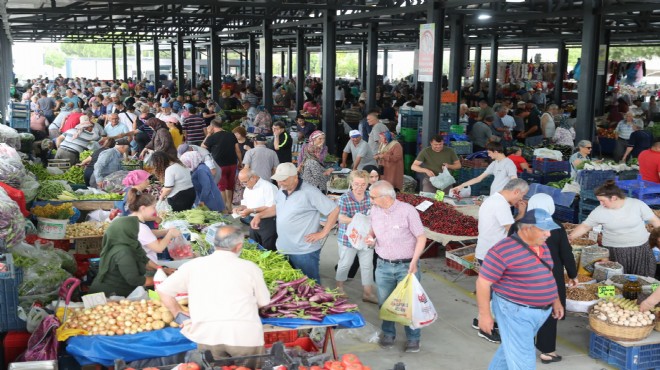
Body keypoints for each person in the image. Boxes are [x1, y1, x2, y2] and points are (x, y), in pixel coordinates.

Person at [157, 225, 270, 369]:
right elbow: (264, 301)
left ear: (214, 243)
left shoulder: (193, 266)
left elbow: (163, 291)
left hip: (207, 335)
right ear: (239, 246)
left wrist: (178, 313)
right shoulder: (250, 268)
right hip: (243, 336)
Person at [477, 208, 564, 369]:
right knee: (524, 361)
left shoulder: (543, 247)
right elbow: (483, 283)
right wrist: (484, 315)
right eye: (543, 230)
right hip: (515, 311)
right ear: (526, 228)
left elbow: (548, 274)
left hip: (539, 312)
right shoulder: (502, 251)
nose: (548, 234)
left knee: (510, 349)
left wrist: (556, 300)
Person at [509, 194, 579, 364]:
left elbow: (509, 250)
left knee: (523, 312)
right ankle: (547, 351)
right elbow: (566, 253)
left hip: (522, 276)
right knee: (548, 313)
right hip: (548, 276)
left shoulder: (517, 225)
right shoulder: (555, 226)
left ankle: (519, 348)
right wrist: (573, 274)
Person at [251, 163, 339, 283]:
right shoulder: (282, 190)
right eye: (278, 180)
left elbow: (334, 210)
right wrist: (259, 215)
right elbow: (277, 208)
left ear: (295, 177)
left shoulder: (310, 192)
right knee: (291, 286)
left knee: (310, 286)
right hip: (283, 247)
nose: (280, 183)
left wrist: (323, 233)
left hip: (304, 251)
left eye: (284, 180)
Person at [367, 180, 426, 353]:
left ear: (386, 197)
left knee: (410, 304)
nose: (370, 200)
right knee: (384, 302)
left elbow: (421, 237)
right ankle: (388, 334)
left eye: (373, 197)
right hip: (383, 265)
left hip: (406, 266)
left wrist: (414, 262)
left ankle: (414, 338)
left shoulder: (407, 211)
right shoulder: (375, 211)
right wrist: (370, 237)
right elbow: (372, 230)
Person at [472, 178, 529, 343]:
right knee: (495, 293)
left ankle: (479, 320)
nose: (520, 200)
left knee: (489, 291)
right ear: (516, 191)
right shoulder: (501, 205)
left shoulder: (494, 199)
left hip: (487, 251)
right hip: (495, 255)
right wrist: (523, 215)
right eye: (522, 195)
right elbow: (512, 231)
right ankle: (487, 328)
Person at [568, 180, 660, 277]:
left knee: (642, 279)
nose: (601, 203)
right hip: (614, 251)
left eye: (603, 200)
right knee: (616, 280)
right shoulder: (599, 211)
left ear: (614, 198)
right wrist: (570, 236)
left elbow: (655, 221)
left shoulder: (637, 205)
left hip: (641, 250)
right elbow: (585, 226)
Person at [335, 170, 378, 303]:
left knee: (367, 266)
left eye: (363, 184)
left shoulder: (370, 197)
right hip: (348, 239)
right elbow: (341, 218)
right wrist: (358, 221)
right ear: (351, 183)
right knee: (345, 264)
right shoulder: (344, 198)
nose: (359, 187)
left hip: (366, 238)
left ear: (367, 184)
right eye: (356, 184)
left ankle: (367, 293)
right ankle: (339, 288)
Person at [88, 215, 153, 297]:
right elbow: (135, 280)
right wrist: (161, 280)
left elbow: (144, 260)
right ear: (128, 231)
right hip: (107, 296)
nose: (136, 232)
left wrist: (163, 270)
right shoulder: (123, 251)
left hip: (110, 293)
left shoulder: (125, 244)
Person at [126, 188, 181, 272]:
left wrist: (165, 231)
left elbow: (148, 234)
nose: (155, 211)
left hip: (144, 266)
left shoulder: (131, 220)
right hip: (146, 270)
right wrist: (170, 234)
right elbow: (159, 248)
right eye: (153, 207)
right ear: (143, 208)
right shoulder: (141, 227)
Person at [234, 168, 278, 251]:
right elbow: (245, 204)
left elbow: (271, 207)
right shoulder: (248, 187)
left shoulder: (268, 187)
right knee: (254, 246)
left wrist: (252, 210)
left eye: (245, 182)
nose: (243, 185)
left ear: (253, 177)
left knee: (268, 248)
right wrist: (239, 208)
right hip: (252, 220)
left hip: (268, 221)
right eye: (242, 183)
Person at [451, 142, 517, 196]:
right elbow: (478, 178)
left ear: (496, 152)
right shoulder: (494, 163)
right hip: (494, 195)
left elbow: (514, 180)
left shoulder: (509, 164)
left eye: (489, 153)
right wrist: (461, 186)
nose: (488, 155)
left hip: (503, 197)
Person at [203, 118, 241, 212]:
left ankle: (223, 208)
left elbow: (202, 147)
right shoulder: (231, 135)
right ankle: (230, 206)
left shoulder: (212, 137)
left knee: (221, 187)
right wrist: (240, 162)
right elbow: (238, 150)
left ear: (212, 127)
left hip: (219, 165)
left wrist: (208, 134)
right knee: (230, 186)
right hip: (232, 164)